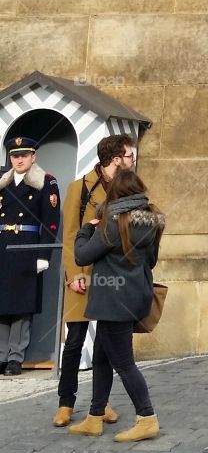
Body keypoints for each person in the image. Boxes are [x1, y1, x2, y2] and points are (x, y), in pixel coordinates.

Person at [70, 169, 165, 441]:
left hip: (113, 301)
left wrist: (86, 229)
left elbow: (82, 256)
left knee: (124, 364)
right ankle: (95, 416)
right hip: (135, 296)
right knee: (101, 357)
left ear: (116, 194)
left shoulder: (113, 222)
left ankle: (147, 418)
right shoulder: (151, 221)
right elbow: (151, 261)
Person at [53, 135, 137, 427]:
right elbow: (69, 235)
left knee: (105, 345)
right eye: (129, 156)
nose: (133, 161)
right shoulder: (81, 187)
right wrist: (73, 273)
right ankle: (66, 402)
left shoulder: (126, 188)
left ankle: (100, 405)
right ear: (116, 158)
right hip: (83, 272)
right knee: (74, 342)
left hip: (110, 276)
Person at [0, 136, 59, 376]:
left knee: (22, 306)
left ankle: (15, 357)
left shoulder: (46, 182)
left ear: (33, 157)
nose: (19, 160)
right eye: (15, 156)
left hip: (27, 249)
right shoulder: (2, 182)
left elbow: (51, 223)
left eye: (24, 155)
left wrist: (44, 254)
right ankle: (1, 356)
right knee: (2, 304)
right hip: (3, 247)